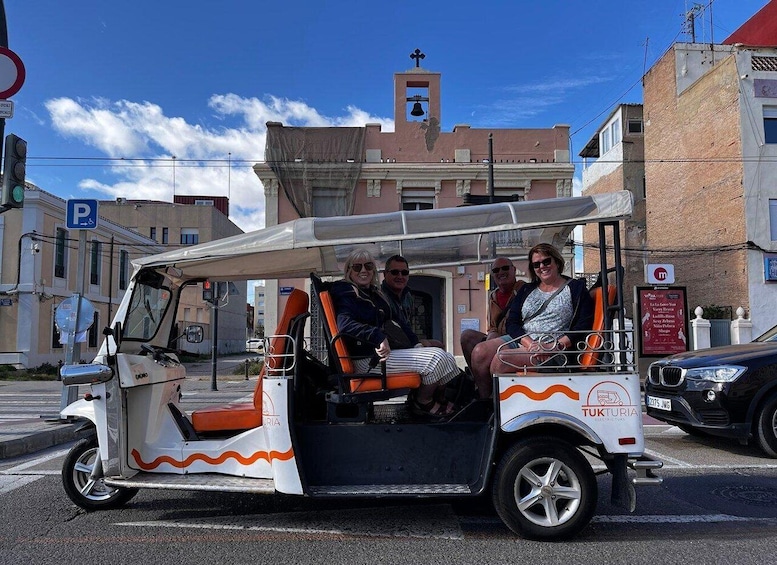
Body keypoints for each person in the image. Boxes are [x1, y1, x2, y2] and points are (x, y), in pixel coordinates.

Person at [330, 249, 460, 418]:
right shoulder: (347, 293)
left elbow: (397, 322)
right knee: (437, 359)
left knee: (447, 358)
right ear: (349, 271)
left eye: (368, 266)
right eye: (357, 267)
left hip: (379, 356)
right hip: (365, 360)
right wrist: (378, 336)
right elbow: (345, 325)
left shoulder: (374, 294)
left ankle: (432, 399)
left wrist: (416, 345)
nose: (364, 270)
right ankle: (422, 402)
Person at [469, 243, 594, 398]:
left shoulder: (575, 288)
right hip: (525, 341)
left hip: (553, 348)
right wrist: (529, 343)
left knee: (501, 359)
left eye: (546, 261)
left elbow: (584, 324)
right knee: (479, 353)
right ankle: (485, 402)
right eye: (536, 264)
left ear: (557, 261)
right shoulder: (527, 289)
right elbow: (512, 322)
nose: (542, 267)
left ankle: (499, 408)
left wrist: (554, 346)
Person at [460, 257, 524, 368]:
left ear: (514, 270)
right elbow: (492, 326)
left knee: (486, 347)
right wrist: (492, 334)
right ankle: (476, 378)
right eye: (496, 270)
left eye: (505, 268)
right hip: (497, 338)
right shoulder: (493, 296)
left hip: (518, 339)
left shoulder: (524, 290)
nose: (501, 272)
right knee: (467, 336)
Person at [381, 254, 444, 349]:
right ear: (385, 274)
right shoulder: (380, 297)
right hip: (391, 346)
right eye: (395, 272)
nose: (400, 276)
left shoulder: (408, 296)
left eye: (404, 272)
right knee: (436, 355)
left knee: (438, 345)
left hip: (406, 341)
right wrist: (416, 344)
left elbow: (407, 325)